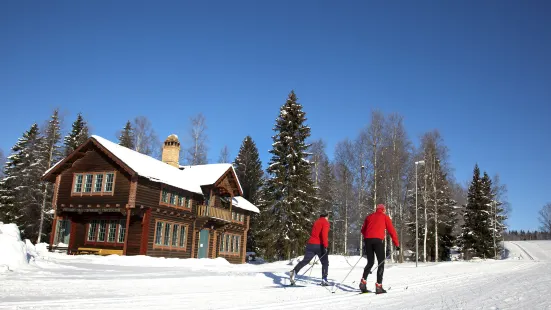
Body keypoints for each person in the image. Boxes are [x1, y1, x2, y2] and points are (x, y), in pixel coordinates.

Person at [359, 204, 400, 294]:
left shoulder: (369, 216)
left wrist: (368, 237)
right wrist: (397, 244)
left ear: (376, 209)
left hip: (368, 240)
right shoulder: (385, 217)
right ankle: (379, 286)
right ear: (383, 210)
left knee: (370, 262)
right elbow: (391, 231)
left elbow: (362, 230)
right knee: (381, 262)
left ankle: (363, 281)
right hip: (377, 241)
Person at [289, 211, 330, 286]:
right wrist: (326, 245)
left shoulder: (316, 221)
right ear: (326, 216)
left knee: (305, 261)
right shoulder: (325, 222)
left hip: (310, 244)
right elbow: (324, 235)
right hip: (319, 245)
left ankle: (294, 271)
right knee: (325, 263)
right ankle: (324, 280)